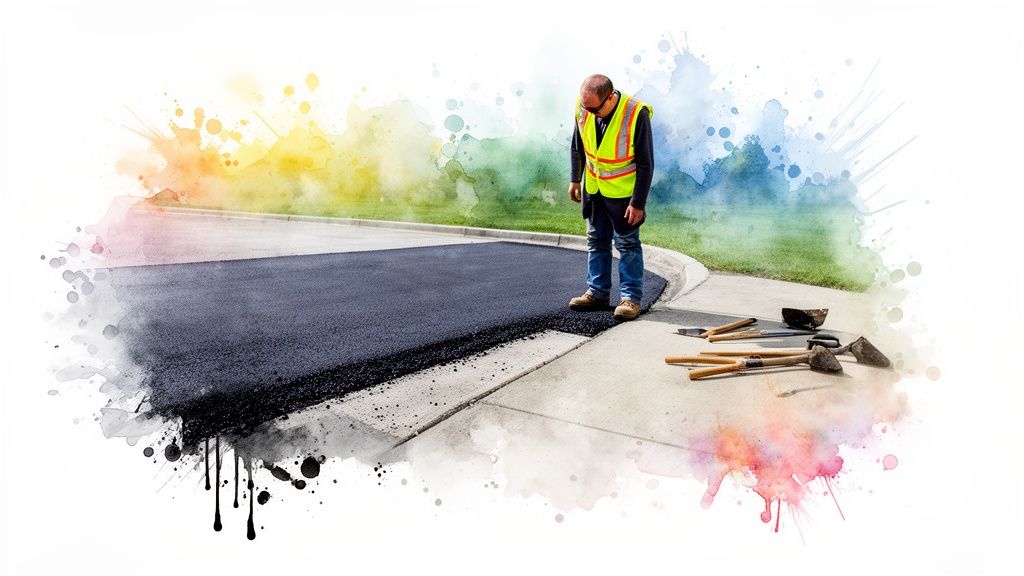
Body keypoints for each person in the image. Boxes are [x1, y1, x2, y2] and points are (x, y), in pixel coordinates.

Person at [567, 74, 654, 321]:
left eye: (595, 108)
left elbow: (646, 163)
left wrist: (638, 203)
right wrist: (576, 178)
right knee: (596, 241)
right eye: (587, 108)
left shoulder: (636, 114)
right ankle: (597, 292)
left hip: (623, 196)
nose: (590, 113)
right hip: (594, 191)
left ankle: (630, 298)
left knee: (627, 245)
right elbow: (577, 145)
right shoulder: (585, 107)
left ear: (611, 97)